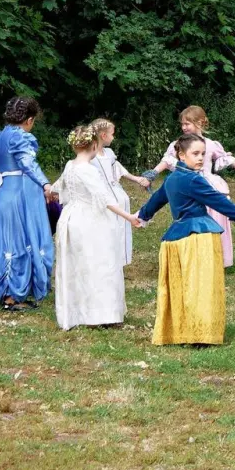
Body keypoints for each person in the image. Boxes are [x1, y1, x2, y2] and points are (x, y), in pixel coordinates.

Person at [136, 133, 235, 346]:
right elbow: (216, 200)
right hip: (198, 239)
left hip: (176, 240)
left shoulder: (172, 178)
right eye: (195, 153)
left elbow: (156, 200)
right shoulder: (194, 179)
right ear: (181, 154)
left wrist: (141, 216)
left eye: (203, 154)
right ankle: (201, 334)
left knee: (183, 286)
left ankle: (181, 330)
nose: (200, 158)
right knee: (201, 285)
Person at [52, 123, 139, 329]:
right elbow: (105, 198)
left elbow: (59, 188)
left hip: (71, 217)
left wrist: (49, 192)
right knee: (100, 263)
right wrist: (129, 217)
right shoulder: (87, 170)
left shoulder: (69, 165)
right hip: (90, 220)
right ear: (93, 145)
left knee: (80, 264)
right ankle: (101, 314)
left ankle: (80, 311)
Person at [149, 106, 235, 269]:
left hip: (208, 184)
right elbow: (167, 161)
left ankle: (217, 258)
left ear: (200, 123)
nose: (184, 127)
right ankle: (195, 258)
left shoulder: (211, 145)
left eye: (188, 123)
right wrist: (153, 173)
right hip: (186, 185)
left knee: (215, 219)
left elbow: (229, 161)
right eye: (182, 124)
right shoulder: (178, 144)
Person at [0, 97, 56, 312]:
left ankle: (9, 288)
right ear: (30, 119)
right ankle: (13, 295)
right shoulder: (21, 138)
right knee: (20, 240)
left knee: (4, 241)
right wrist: (45, 183)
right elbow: (27, 164)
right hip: (17, 195)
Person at [90, 118, 149, 266]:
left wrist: (136, 179)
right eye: (112, 134)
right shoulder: (90, 155)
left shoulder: (109, 153)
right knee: (105, 227)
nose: (113, 137)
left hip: (116, 192)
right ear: (103, 135)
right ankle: (104, 258)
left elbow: (118, 169)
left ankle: (119, 258)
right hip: (102, 196)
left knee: (120, 225)